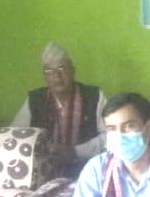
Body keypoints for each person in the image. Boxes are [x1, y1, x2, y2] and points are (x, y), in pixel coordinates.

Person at [10, 42, 106, 178]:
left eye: (61, 69)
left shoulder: (94, 96)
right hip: (44, 175)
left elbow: (111, 136)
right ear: (44, 76)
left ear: (73, 71)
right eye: (49, 71)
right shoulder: (35, 99)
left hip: (87, 173)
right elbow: (15, 136)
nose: (56, 76)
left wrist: (76, 151)